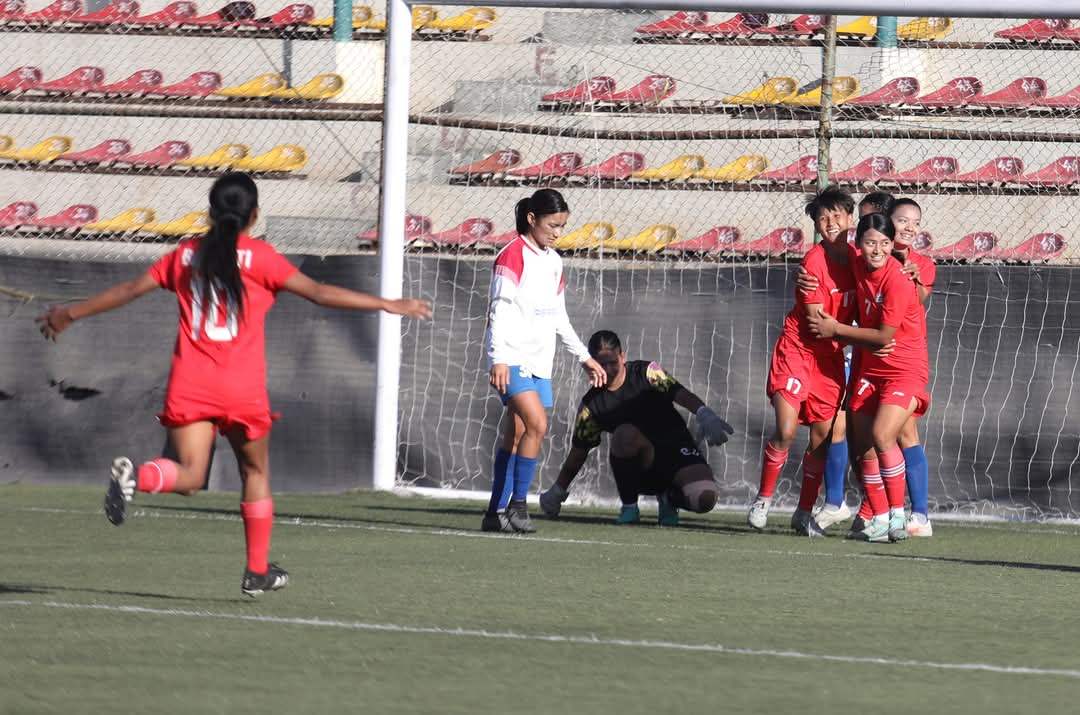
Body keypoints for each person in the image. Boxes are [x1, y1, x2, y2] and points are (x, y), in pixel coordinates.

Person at [36, 172, 433, 595]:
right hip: (241, 388)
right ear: (254, 215)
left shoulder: (185, 256)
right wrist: (388, 303)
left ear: (210, 213)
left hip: (191, 383)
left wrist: (70, 314)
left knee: (189, 476)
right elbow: (319, 293)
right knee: (254, 471)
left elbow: (132, 289)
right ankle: (256, 570)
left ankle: (140, 477)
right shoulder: (261, 258)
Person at [482, 188, 606, 534]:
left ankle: (494, 513)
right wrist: (498, 359)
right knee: (537, 424)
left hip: (540, 362)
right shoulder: (512, 254)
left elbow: (558, 316)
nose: (557, 233)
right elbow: (498, 310)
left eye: (562, 226)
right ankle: (518, 506)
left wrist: (584, 357)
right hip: (511, 358)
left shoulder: (553, 261)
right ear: (532, 219)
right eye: (552, 225)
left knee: (518, 433)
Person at [808, 213, 930, 543]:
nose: (878, 250)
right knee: (862, 446)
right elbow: (829, 254)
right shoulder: (856, 263)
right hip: (871, 370)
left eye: (885, 243)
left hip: (904, 370)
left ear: (892, 245)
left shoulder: (898, 280)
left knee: (883, 434)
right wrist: (807, 274)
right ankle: (879, 517)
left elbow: (883, 337)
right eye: (871, 242)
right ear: (859, 244)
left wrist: (836, 330)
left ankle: (898, 516)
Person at [747, 185, 857, 536]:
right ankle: (764, 498)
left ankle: (804, 511)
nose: (830, 222)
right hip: (798, 350)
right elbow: (817, 323)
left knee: (823, 437)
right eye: (823, 218)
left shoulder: (859, 259)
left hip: (830, 359)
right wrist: (868, 335)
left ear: (850, 219)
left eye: (836, 215)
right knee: (786, 428)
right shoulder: (813, 262)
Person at [538, 330, 733, 525]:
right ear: (592, 364)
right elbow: (578, 452)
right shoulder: (590, 406)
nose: (608, 369)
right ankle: (630, 507)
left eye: (612, 362)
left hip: (675, 449)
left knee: (705, 497)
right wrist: (557, 491)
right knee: (625, 434)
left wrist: (704, 413)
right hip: (641, 470)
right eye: (602, 364)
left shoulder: (647, 372)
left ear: (622, 357)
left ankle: (669, 497)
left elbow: (678, 392)